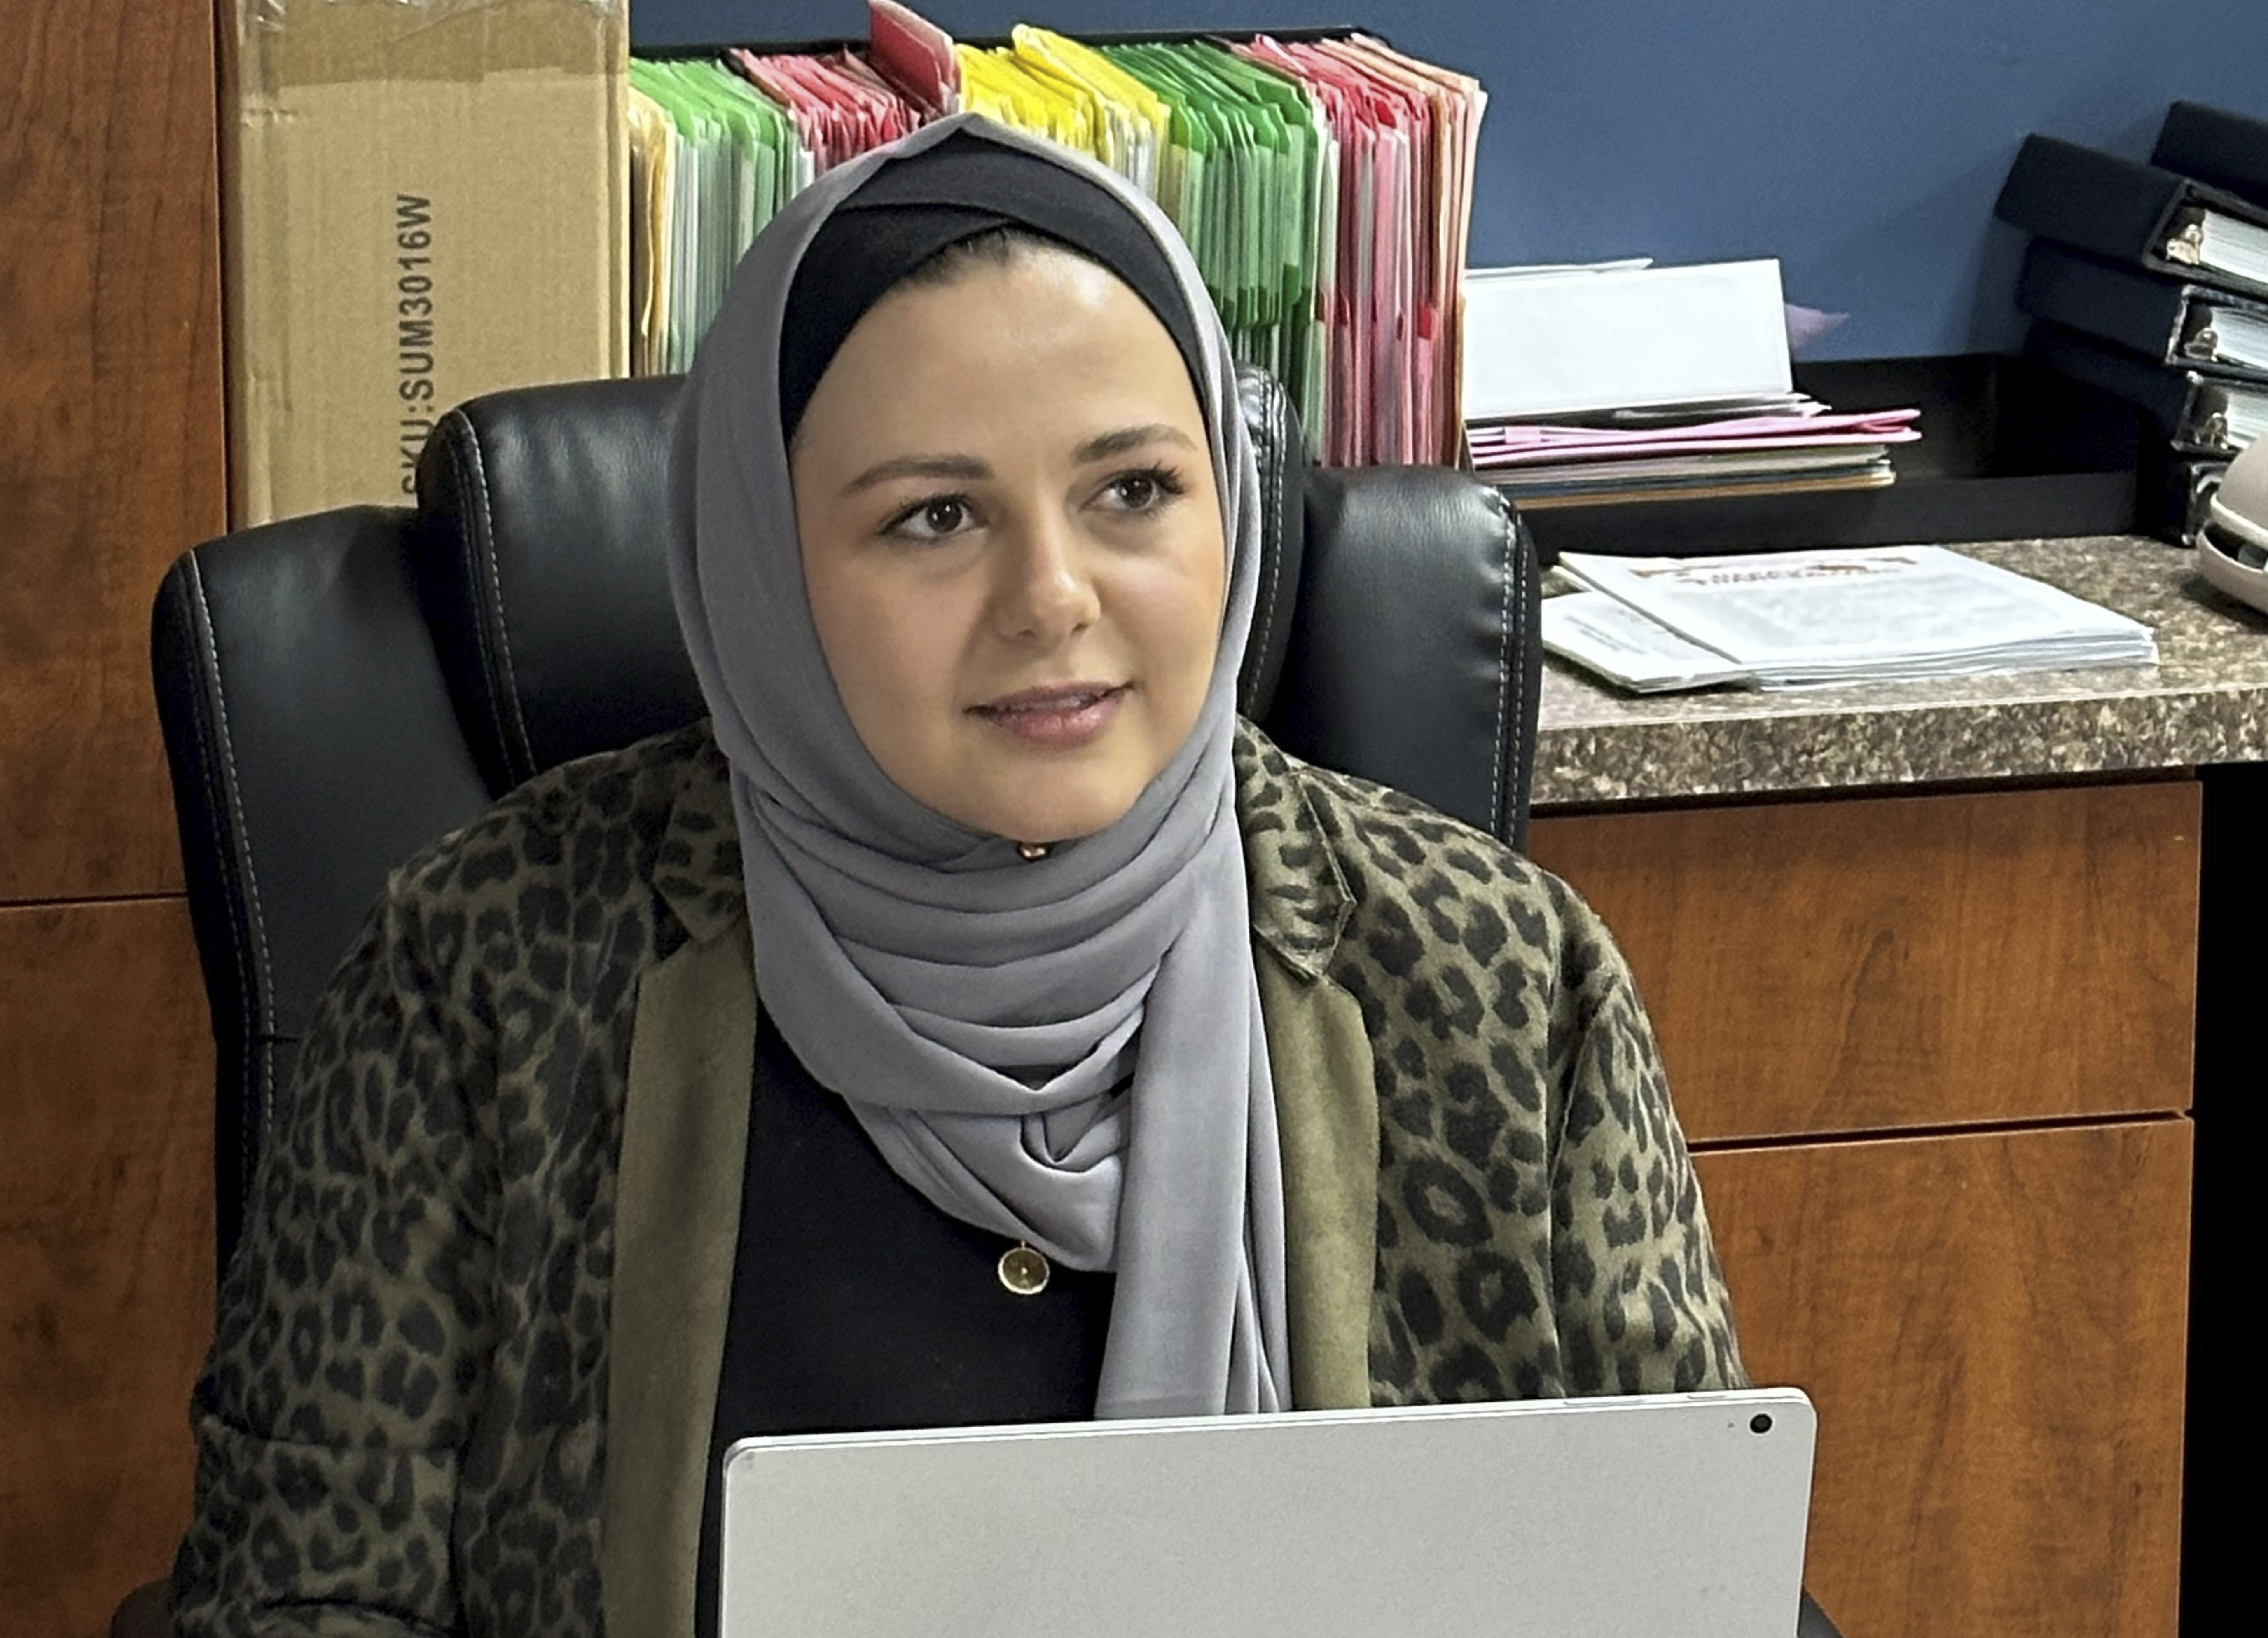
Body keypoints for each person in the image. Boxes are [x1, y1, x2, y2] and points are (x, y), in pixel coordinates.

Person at [172, 115, 1743, 1638]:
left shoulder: (1497, 976)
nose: (1051, 599)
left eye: (1134, 491)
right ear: (764, 566)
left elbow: (1688, 1578)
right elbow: (305, 1600)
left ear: (1231, 511)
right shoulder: (484, 970)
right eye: (935, 518)